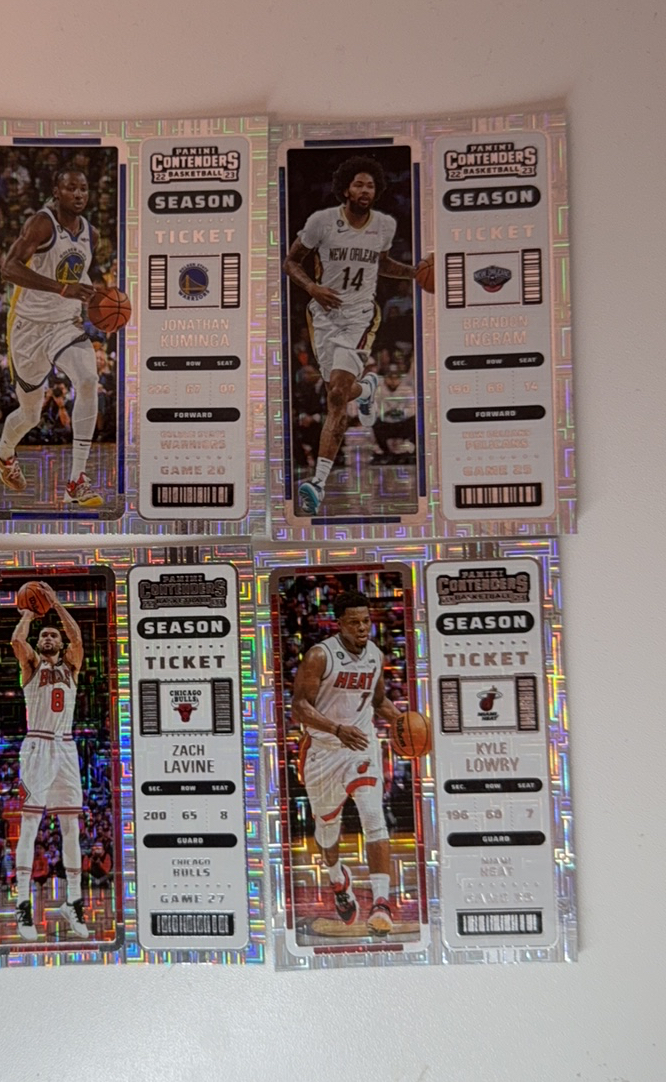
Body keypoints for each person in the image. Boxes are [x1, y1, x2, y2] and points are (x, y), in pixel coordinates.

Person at [283, 156, 428, 514]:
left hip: (360, 317)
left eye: (371, 185)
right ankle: (366, 389)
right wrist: (312, 288)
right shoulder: (321, 222)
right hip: (323, 316)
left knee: (335, 396)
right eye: (359, 184)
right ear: (346, 189)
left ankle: (317, 483)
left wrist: (414, 273)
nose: (365, 190)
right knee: (339, 392)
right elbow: (291, 262)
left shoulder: (384, 225)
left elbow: (383, 263)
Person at [0, 166, 105, 509]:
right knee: (30, 415)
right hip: (29, 327)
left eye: (83, 188)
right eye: (71, 188)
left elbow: (77, 274)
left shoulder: (91, 234)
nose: (78, 194)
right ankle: (3, 451)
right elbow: (9, 268)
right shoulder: (41, 223)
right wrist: (62, 288)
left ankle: (76, 480)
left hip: (64, 324)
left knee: (88, 380)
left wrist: (98, 301)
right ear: (56, 191)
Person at [289, 590, 404, 935]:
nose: (362, 627)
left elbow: (378, 701)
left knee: (373, 816)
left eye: (366, 621)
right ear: (338, 624)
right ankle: (337, 878)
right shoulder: (319, 656)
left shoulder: (375, 655)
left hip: (361, 746)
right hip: (324, 749)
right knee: (327, 830)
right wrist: (337, 729)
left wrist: (402, 723)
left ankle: (381, 903)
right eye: (354, 622)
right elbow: (299, 707)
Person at [9, 582, 91, 940]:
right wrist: (29, 613)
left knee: (71, 826)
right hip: (38, 746)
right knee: (30, 825)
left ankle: (73, 902)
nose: (48, 637)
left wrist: (56, 604)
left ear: (60, 643)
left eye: (53, 635)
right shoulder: (30, 666)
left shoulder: (72, 665)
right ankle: (22, 905)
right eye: (43, 635)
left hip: (66, 747)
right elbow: (17, 641)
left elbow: (77, 637)